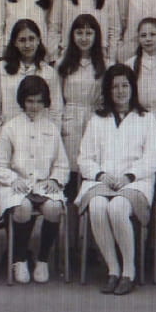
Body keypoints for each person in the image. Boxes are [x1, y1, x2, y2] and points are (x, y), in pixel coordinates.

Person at [76, 64, 156, 295]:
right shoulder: (97, 119)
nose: (121, 91)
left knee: (117, 208)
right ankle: (113, 269)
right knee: (97, 206)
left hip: (135, 181)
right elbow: (85, 158)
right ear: (108, 90)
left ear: (133, 88)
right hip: (103, 180)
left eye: (125, 85)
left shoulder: (146, 119)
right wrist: (101, 175)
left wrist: (129, 176)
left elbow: (153, 158)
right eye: (115, 87)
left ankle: (128, 271)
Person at [0, 76, 69, 284]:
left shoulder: (51, 128)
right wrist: (12, 179)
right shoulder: (10, 128)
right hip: (15, 184)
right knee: (23, 208)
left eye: (39, 102)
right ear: (22, 101)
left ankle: (43, 259)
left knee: (54, 208)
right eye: (30, 101)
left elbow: (62, 163)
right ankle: (20, 258)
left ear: (45, 102)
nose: (34, 106)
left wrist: (55, 179)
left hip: (43, 184)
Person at [57, 14, 107, 199]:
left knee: (91, 168)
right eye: (79, 33)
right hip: (70, 119)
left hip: (94, 118)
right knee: (70, 171)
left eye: (88, 33)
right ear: (72, 35)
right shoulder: (63, 63)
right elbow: (57, 99)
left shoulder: (104, 64)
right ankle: (69, 215)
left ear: (96, 36)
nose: (84, 38)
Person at [0, 19, 62, 138]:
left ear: (38, 40)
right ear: (15, 42)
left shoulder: (49, 72)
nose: (27, 45)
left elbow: (55, 110)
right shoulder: (2, 68)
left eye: (31, 39)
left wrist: (52, 137)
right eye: (22, 40)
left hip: (39, 135)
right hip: (9, 134)